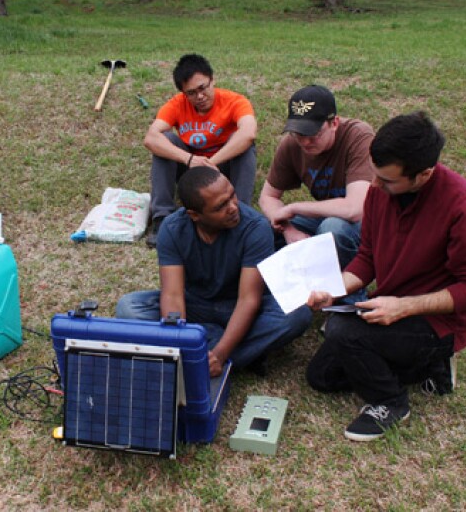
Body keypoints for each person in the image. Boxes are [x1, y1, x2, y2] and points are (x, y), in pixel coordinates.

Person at [306, 111, 466, 442]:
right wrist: (334, 289)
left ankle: (391, 401)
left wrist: (404, 307)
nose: (375, 186)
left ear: (424, 174)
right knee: (320, 375)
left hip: (439, 324)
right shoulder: (380, 193)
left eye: (388, 180)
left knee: (341, 331)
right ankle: (429, 369)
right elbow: (367, 258)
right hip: (390, 308)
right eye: (375, 175)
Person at [116, 166, 312, 377]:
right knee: (130, 308)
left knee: (297, 314)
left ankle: (213, 357)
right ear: (194, 215)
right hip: (194, 306)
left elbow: (249, 300)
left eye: (232, 196)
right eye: (221, 206)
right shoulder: (173, 228)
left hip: (240, 307)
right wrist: (180, 342)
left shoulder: (255, 227)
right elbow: (172, 295)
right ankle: (236, 354)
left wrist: (220, 354)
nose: (233, 207)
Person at [144, 54, 258, 248]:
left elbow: (248, 133)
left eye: (203, 88)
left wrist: (211, 162)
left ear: (212, 80)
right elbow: (150, 137)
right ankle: (162, 218)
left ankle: (240, 213)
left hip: (223, 168)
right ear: (183, 93)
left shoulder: (235, 101)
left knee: (244, 145)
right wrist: (189, 160)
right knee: (165, 140)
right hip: (191, 169)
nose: (199, 96)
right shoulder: (176, 104)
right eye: (191, 93)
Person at [259, 85, 374, 271]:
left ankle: (347, 292)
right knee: (260, 228)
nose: (305, 142)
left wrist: (295, 208)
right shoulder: (291, 145)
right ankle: (281, 290)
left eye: (313, 134)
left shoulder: (358, 136)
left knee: (332, 229)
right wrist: (288, 229)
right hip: (326, 216)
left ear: (334, 123)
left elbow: (356, 209)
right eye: (298, 133)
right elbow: (268, 197)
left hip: (370, 221)